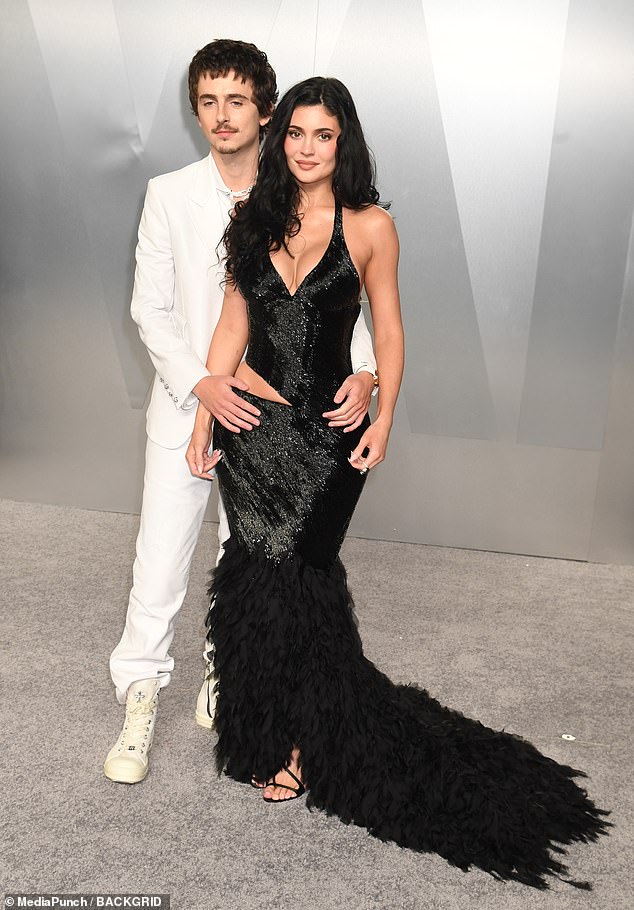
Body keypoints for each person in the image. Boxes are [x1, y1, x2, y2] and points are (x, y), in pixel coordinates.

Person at [187, 76, 609, 889]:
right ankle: (267, 733)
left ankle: (313, 742)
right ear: (282, 141)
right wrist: (209, 406)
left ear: (345, 145)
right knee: (255, 586)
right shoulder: (253, 219)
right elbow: (234, 325)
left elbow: (389, 324)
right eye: (298, 134)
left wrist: (381, 408)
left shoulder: (372, 226)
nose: (308, 148)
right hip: (254, 427)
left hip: (330, 437)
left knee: (304, 586)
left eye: (325, 135)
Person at [104, 42, 377, 785]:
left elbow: (339, 301)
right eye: (207, 101)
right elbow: (149, 310)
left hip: (278, 428)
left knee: (253, 569)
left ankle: (229, 676)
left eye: (237, 100)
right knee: (157, 563)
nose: (222, 116)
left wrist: (371, 371)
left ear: (266, 108)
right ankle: (139, 693)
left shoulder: (301, 183)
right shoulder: (168, 193)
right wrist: (202, 387)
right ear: (195, 111)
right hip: (188, 407)